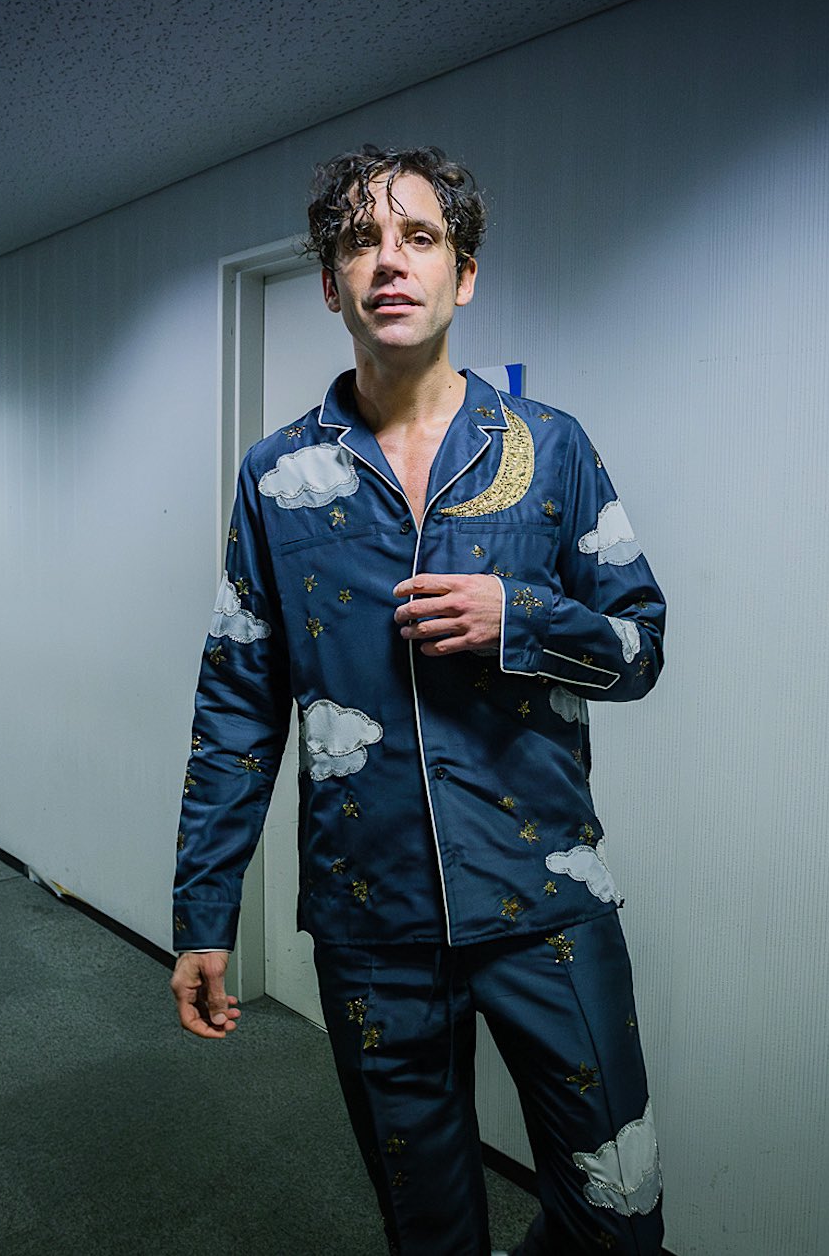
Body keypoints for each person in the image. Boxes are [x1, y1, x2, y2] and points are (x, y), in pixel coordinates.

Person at [170, 145, 667, 1256]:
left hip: (545, 901)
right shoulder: (276, 478)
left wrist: (521, 618)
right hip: (371, 921)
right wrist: (205, 911)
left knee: (618, 1213)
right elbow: (237, 706)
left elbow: (641, 649)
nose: (390, 261)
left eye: (420, 237)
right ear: (331, 283)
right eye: (361, 242)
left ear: (464, 274)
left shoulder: (550, 450)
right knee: (427, 1231)